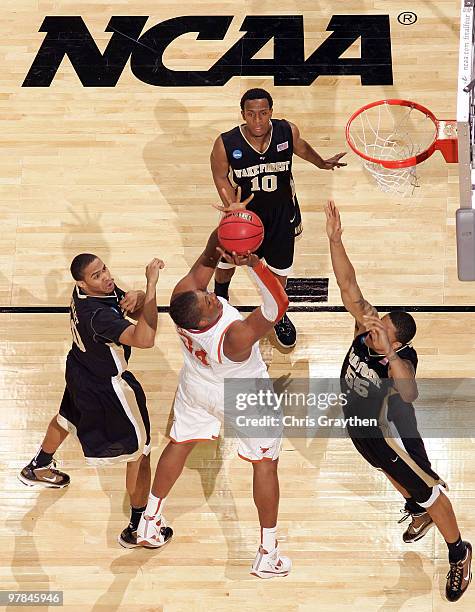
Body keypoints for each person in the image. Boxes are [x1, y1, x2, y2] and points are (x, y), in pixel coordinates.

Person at [137, 187, 291, 579]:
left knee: (180, 442)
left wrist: (228, 223)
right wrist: (255, 264)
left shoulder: (182, 299)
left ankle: (149, 521)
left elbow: (208, 257)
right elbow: (277, 307)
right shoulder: (234, 337)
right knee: (265, 464)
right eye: (209, 300)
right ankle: (267, 553)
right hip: (242, 396)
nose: (210, 294)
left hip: (196, 383)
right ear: (205, 320)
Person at [325, 200, 472, 602]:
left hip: (396, 439)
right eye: (377, 322)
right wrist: (336, 240)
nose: (374, 328)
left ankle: (460, 552)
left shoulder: (402, 360)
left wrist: (388, 350)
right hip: (362, 430)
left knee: (430, 491)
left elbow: (409, 392)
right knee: (385, 472)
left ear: (399, 341)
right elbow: (348, 285)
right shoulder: (366, 328)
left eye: (383, 329)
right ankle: (417, 509)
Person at [18, 254, 168, 550]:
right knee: (140, 454)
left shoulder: (90, 292)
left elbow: (134, 311)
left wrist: (137, 296)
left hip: (80, 367)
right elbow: (146, 337)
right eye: (97, 276)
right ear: (82, 282)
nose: (106, 277)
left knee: (66, 417)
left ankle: (38, 466)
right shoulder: (98, 316)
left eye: (105, 269)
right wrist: (151, 285)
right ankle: (137, 529)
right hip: (107, 386)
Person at [210, 87, 346, 349]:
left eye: (263, 113)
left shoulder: (286, 131)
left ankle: (279, 313)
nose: (258, 120)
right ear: (243, 115)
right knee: (227, 262)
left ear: (271, 112)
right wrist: (233, 204)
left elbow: (302, 149)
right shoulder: (226, 142)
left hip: (283, 215)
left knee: (279, 273)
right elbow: (220, 175)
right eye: (251, 114)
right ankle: (221, 294)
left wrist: (321, 163)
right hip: (244, 218)